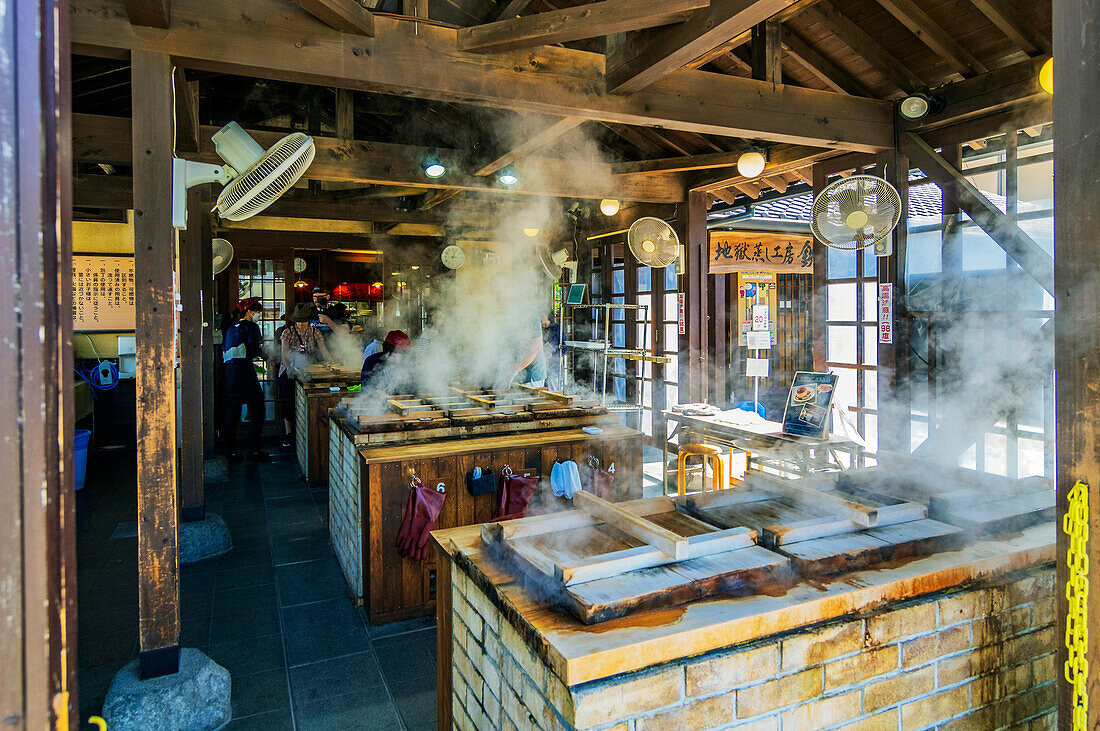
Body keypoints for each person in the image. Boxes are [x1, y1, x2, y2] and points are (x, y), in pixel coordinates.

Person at [278, 303, 334, 449]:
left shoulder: (315, 332)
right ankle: (288, 434)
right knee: (290, 402)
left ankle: (306, 432)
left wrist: (332, 363)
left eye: (304, 321)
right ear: (294, 321)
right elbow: (284, 354)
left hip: (309, 369)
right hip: (288, 370)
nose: (301, 325)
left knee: (310, 399)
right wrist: (290, 367)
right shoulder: (287, 333)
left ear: (308, 321)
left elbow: (324, 351)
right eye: (298, 321)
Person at [222, 297, 268, 462]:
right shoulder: (251, 326)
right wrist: (268, 356)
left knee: (232, 413)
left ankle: (230, 451)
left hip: (229, 373)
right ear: (250, 311)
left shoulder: (230, 328)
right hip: (244, 372)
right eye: (257, 311)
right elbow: (255, 348)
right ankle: (254, 449)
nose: (258, 315)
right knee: (259, 408)